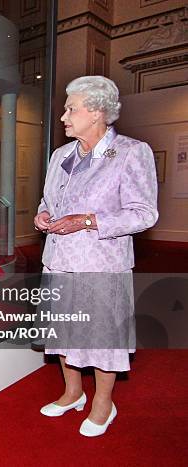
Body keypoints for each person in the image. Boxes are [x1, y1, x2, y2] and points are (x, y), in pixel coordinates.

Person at [34, 76, 158, 436]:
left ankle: (104, 402)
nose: (63, 116)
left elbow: (144, 213)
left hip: (101, 263)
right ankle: (72, 393)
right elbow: (49, 202)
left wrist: (88, 221)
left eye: (71, 108)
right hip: (58, 260)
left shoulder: (131, 153)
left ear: (97, 111)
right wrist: (43, 215)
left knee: (102, 335)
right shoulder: (61, 156)